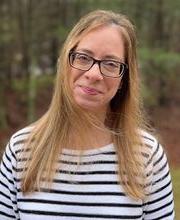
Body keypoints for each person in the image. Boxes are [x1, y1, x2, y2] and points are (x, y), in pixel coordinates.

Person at [0, 10, 174, 220]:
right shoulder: (21, 151)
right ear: (65, 62)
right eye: (83, 57)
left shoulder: (148, 157)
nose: (93, 74)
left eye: (111, 64)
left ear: (124, 79)